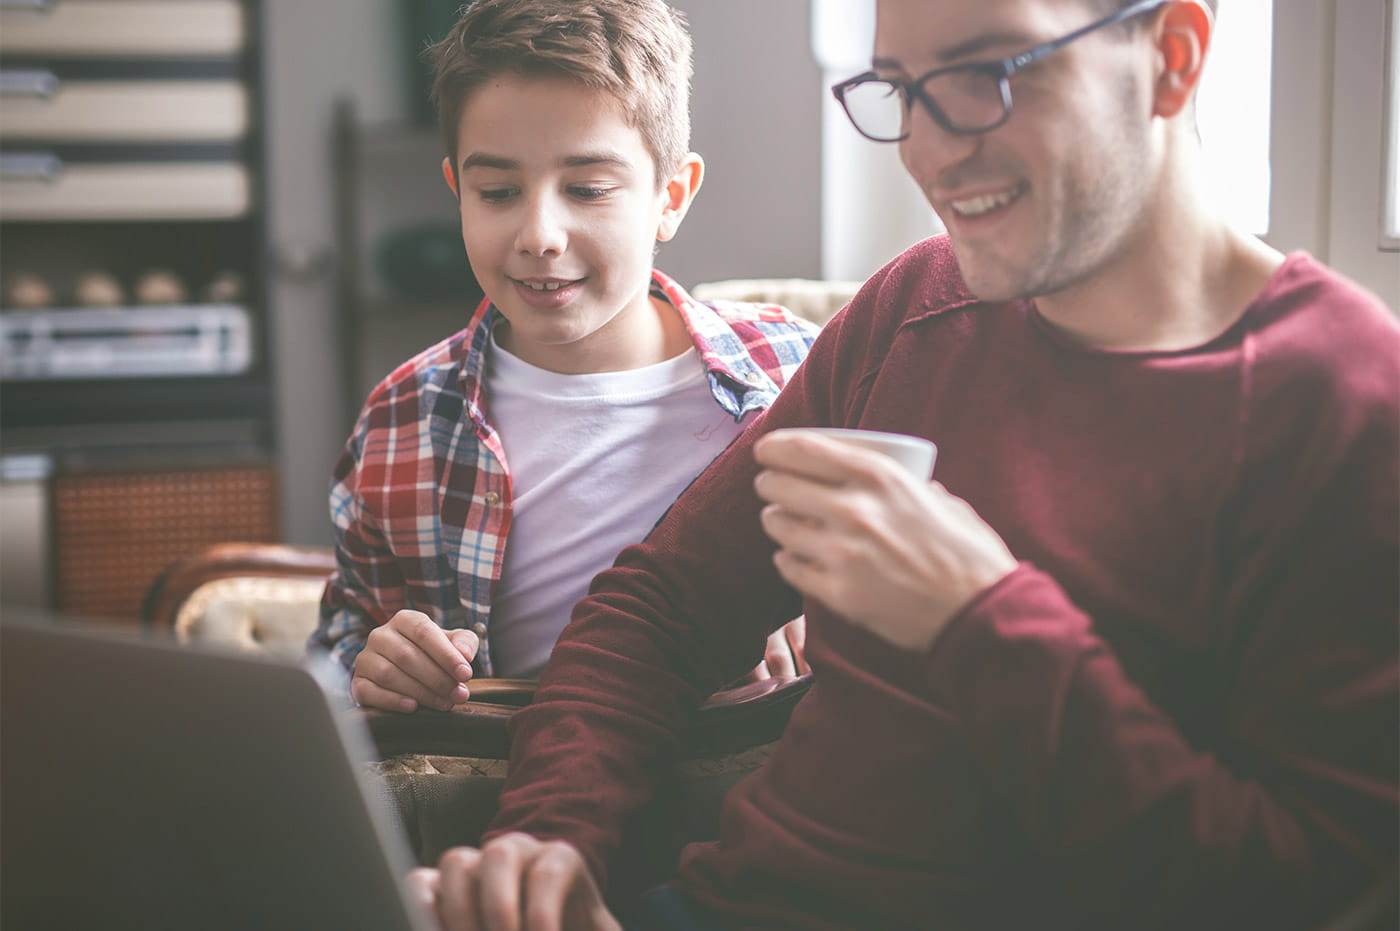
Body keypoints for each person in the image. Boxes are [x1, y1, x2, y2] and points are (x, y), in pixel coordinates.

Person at [408, 0, 1400, 928]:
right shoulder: (915, 304)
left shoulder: (1336, 395)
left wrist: (978, 616)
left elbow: (1288, 881)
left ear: (1171, 58)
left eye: (984, 75)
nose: (928, 152)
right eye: (900, 91)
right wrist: (544, 839)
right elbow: (660, 606)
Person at [310, 0, 819, 713]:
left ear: (669, 197)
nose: (540, 233)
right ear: (457, 191)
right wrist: (374, 665)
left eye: (586, 189)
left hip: (749, 778)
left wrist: (821, 614)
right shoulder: (403, 417)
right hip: (507, 788)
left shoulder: (801, 371)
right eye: (498, 192)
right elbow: (338, 647)